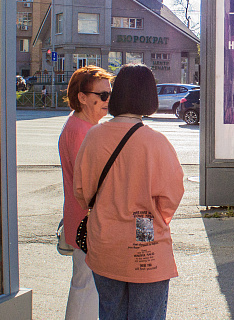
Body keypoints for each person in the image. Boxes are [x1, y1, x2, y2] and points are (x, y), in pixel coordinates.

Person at [74, 64, 184, 320]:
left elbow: (81, 191)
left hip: (104, 240)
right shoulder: (156, 142)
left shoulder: (94, 137)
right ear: (149, 96)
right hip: (144, 241)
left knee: (110, 312)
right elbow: (170, 197)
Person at [59, 66, 115, 319]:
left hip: (80, 219)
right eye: (102, 96)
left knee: (86, 285)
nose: (107, 101)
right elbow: (90, 185)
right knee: (86, 287)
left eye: (109, 95)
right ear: (82, 97)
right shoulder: (82, 131)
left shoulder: (78, 125)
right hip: (87, 222)